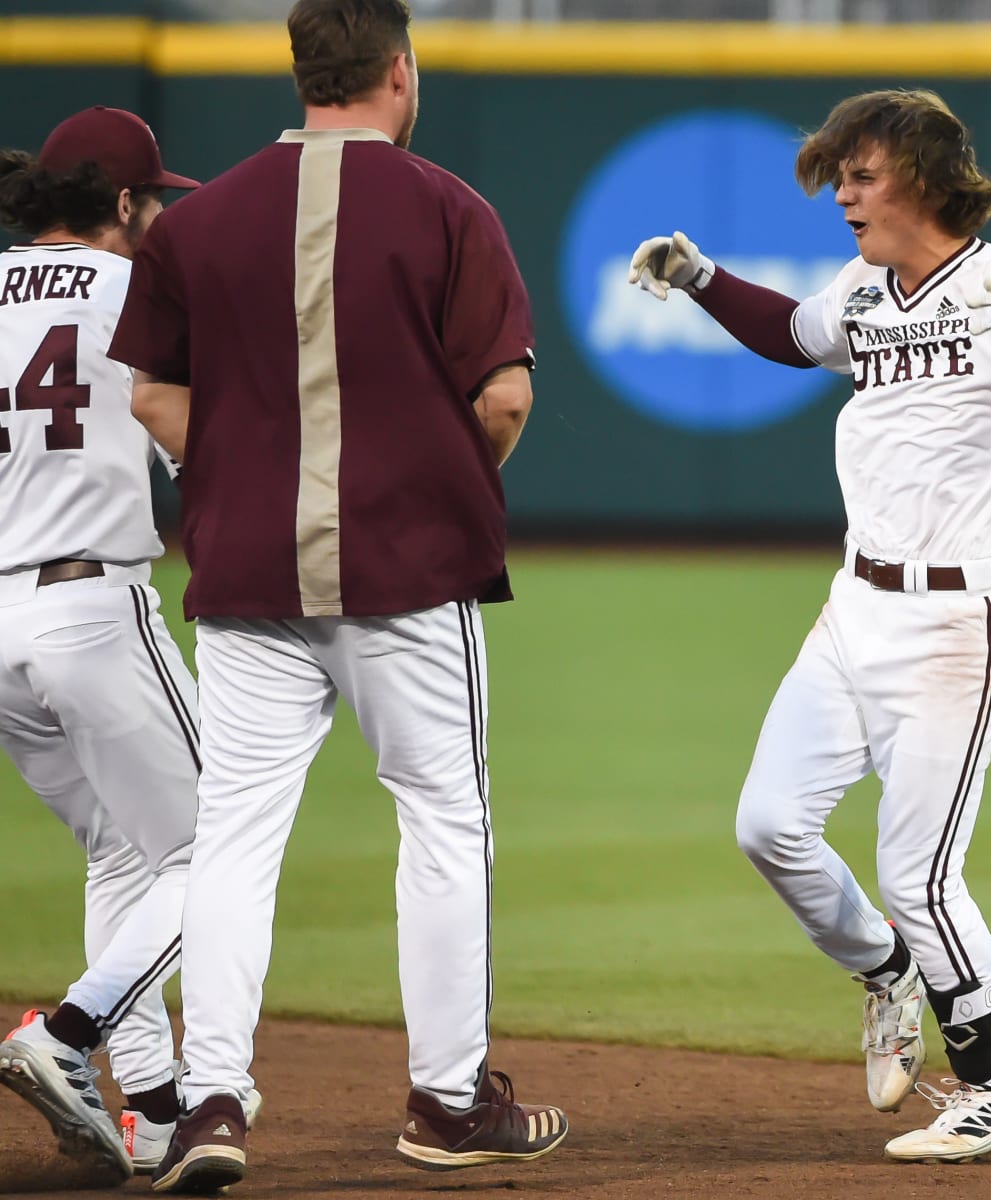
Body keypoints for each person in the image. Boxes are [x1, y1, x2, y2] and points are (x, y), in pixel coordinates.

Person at [629, 88, 991, 1164]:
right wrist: (702, 280)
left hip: (951, 623)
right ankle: (886, 971)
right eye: (838, 171)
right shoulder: (866, 286)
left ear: (926, 179)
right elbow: (795, 338)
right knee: (769, 826)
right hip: (853, 611)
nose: (842, 190)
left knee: (921, 877)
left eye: (862, 171)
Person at [107, 1, 568, 1192]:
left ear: (303, 73)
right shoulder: (451, 207)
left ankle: (211, 1104)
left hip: (249, 576)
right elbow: (505, 400)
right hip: (406, 578)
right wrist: (427, 488)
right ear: (399, 73)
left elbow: (153, 395)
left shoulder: (196, 222)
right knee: (443, 823)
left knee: (235, 838)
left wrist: (255, 480)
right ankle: (447, 1101)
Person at [0, 107, 203, 1182]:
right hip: (89, 601)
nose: (163, 213)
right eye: (154, 197)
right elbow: (194, 439)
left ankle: (158, 1110)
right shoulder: (137, 289)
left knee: (126, 849)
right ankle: (65, 1036)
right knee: (223, 852)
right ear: (119, 204)